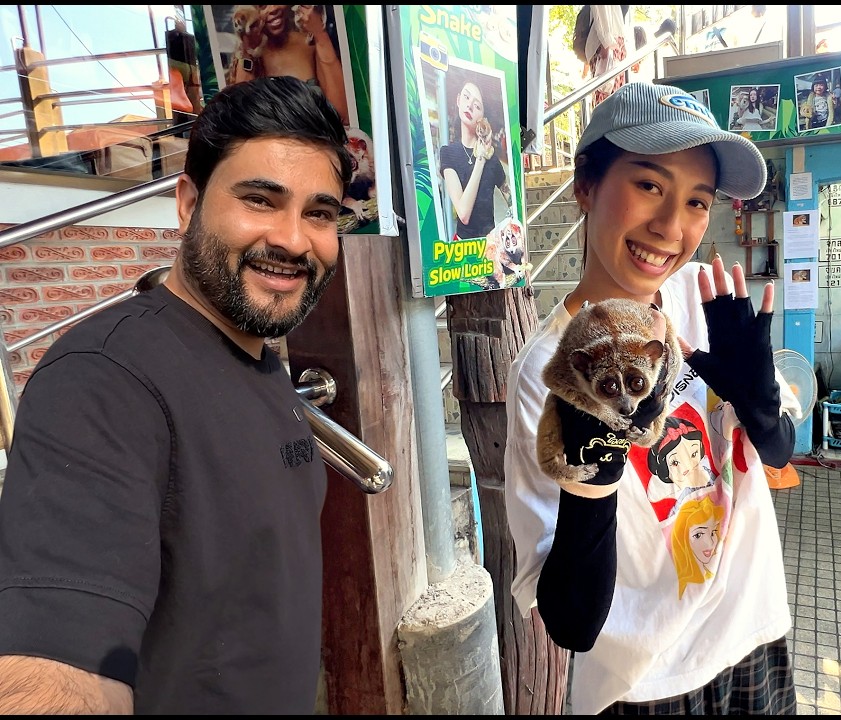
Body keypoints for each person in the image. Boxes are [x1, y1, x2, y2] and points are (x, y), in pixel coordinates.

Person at [0, 75, 352, 713]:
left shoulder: (253, 356)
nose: (294, 240)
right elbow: (55, 666)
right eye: (261, 200)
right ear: (188, 203)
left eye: (319, 213)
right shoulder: (103, 382)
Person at [504, 82, 801, 715]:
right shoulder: (550, 372)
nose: (672, 227)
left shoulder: (703, 298)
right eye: (649, 185)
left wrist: (760, 400)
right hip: (649, 685)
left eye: (697, 201)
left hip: (753, 635)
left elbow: (777, 452)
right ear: (585, 185)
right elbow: (571, 621)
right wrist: (593, 474)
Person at [227, 5, 350, 126]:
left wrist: (319, 33)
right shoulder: (247, 58)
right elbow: (241, 121)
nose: (274, 8)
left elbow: (343, 116)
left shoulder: (308, 44)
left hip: (316, 140)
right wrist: (249, 51)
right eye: (263, 5)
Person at [439, 76, 512, 241]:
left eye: (477, 105)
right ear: (458, 100)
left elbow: (512, 199)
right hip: (463, 252)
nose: (470, 105)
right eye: (466, 97)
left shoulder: (492, 158)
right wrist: (480, 159)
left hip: (491, 248)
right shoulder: (449, 153)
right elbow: (463, 214)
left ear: (482, 116)